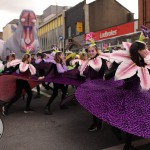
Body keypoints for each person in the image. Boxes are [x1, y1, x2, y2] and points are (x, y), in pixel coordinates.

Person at [75, 41, 150, 150]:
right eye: (145, 49)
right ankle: (123, 138)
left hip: (139, 93)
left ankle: (126, 141)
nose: (147, 51)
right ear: (138, 51)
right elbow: (111, 73)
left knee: (135, 117)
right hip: (127, 93)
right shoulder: (126, 61)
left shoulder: (146, 61)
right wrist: (108, 74)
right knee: (130, 116)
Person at [78, 40, 109, 132]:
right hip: (91, 86)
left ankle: (98, 122)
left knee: (96, 106)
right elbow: (84, 73)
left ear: (96, 51)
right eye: (89, 51)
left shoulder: (101, 59)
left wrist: (105, 75)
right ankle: (95, 122)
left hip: (99, 86)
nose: (91, 52)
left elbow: (106, 70)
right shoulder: (88, 61)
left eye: (92, 51)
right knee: (91, 106)